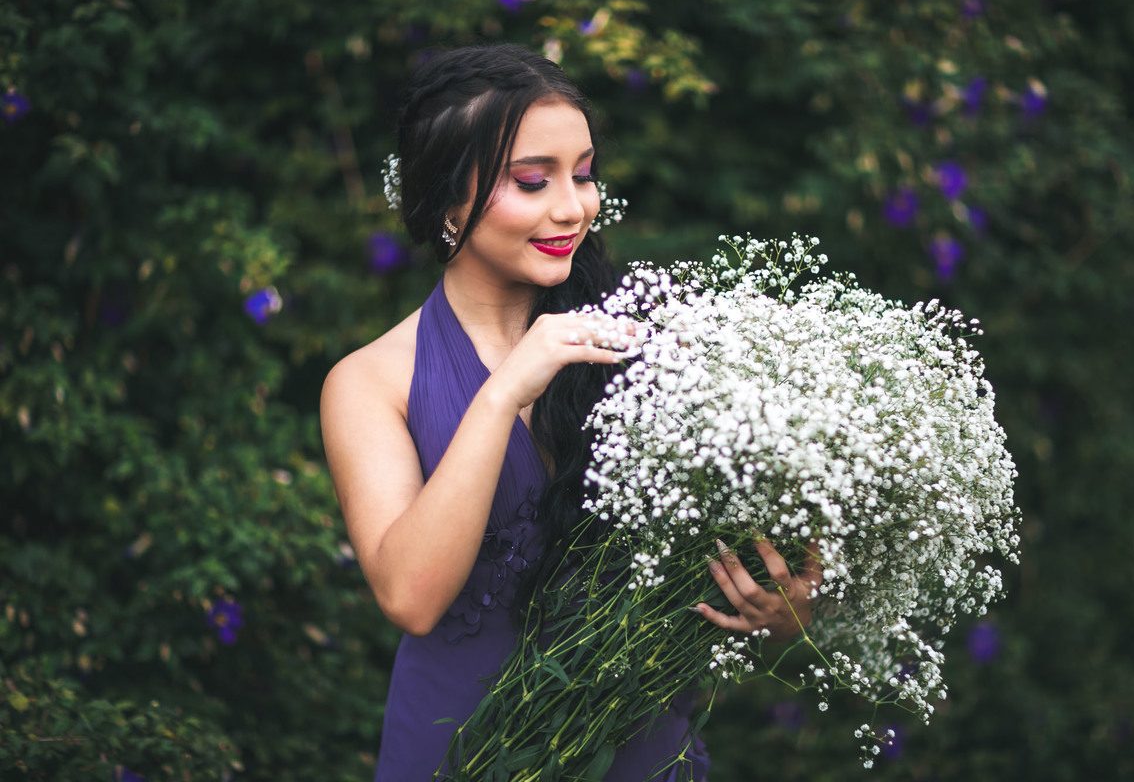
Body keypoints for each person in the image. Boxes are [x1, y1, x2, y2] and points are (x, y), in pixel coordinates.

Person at [320, 43, 822, 782]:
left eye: (583, 174)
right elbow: (410, 598)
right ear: (444, 199)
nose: (572, 206)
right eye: (532, 181)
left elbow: (767, 567)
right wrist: (501, 393)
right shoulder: (370, 381)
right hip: (459, 748)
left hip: (638, 746)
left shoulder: (657, 339)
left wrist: (788, 614)